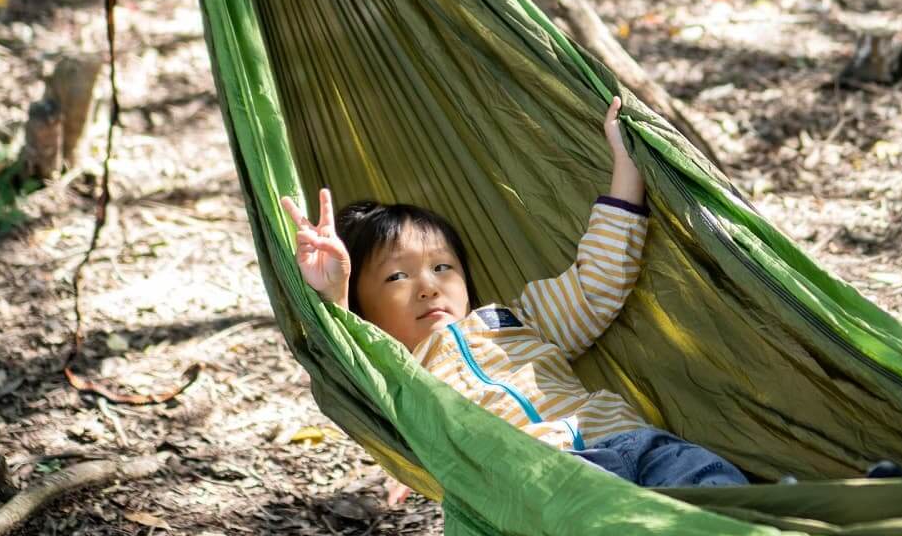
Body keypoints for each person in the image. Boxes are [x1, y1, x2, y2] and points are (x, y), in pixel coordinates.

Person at [280, 96, 748, 488]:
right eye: (396, 277)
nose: (428, 287)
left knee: (715, 485)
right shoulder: (397, 375)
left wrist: (628, 170)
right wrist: (336, 293)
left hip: (633, 442)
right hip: (547, 481)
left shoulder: (516, 321)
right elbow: (350, 362)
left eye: (443, 267)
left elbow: (597, 284)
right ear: (367, 309)